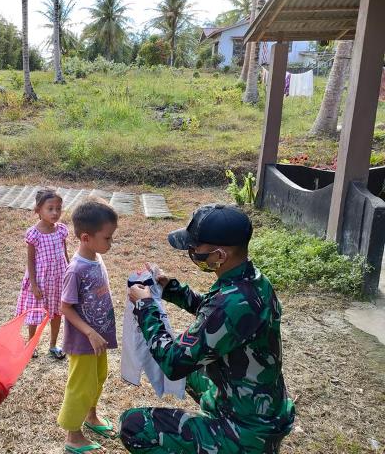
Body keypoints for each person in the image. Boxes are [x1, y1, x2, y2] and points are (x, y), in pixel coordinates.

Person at [120, 204, 295, 453]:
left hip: (246, 430)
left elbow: (174, 363)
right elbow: (215, 314)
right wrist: (173, 289)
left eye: (195, 247)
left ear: (220, 256)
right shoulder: (251, 281)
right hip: (261, 409)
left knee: (133, 426)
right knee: (195, 372)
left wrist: (146, 307)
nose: (191, 251)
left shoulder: (230, 302)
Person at [58, 198, 119, 453]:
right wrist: (90, 332)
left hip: (99, 337)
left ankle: (91, 416)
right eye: (107, 238)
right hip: (85, 339)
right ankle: (73, 435)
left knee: (98, 378)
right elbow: (65, 307)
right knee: (80, 386)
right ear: (85, 237)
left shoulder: (95, 256)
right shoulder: (76, 269)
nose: (111, 243)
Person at [15, 188, 70, 359]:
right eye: (50, 208)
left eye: (58, 208)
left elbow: (65, 253)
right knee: (35, 313)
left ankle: (53, 345)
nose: (55, 212)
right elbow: (30, 261)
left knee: (57, 312)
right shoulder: (34, 234)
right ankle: (32, 344)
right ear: (38, 210)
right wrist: (33, 284)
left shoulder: (61, 230)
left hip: (58, 280)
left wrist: (69, 273)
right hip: (40, 281)